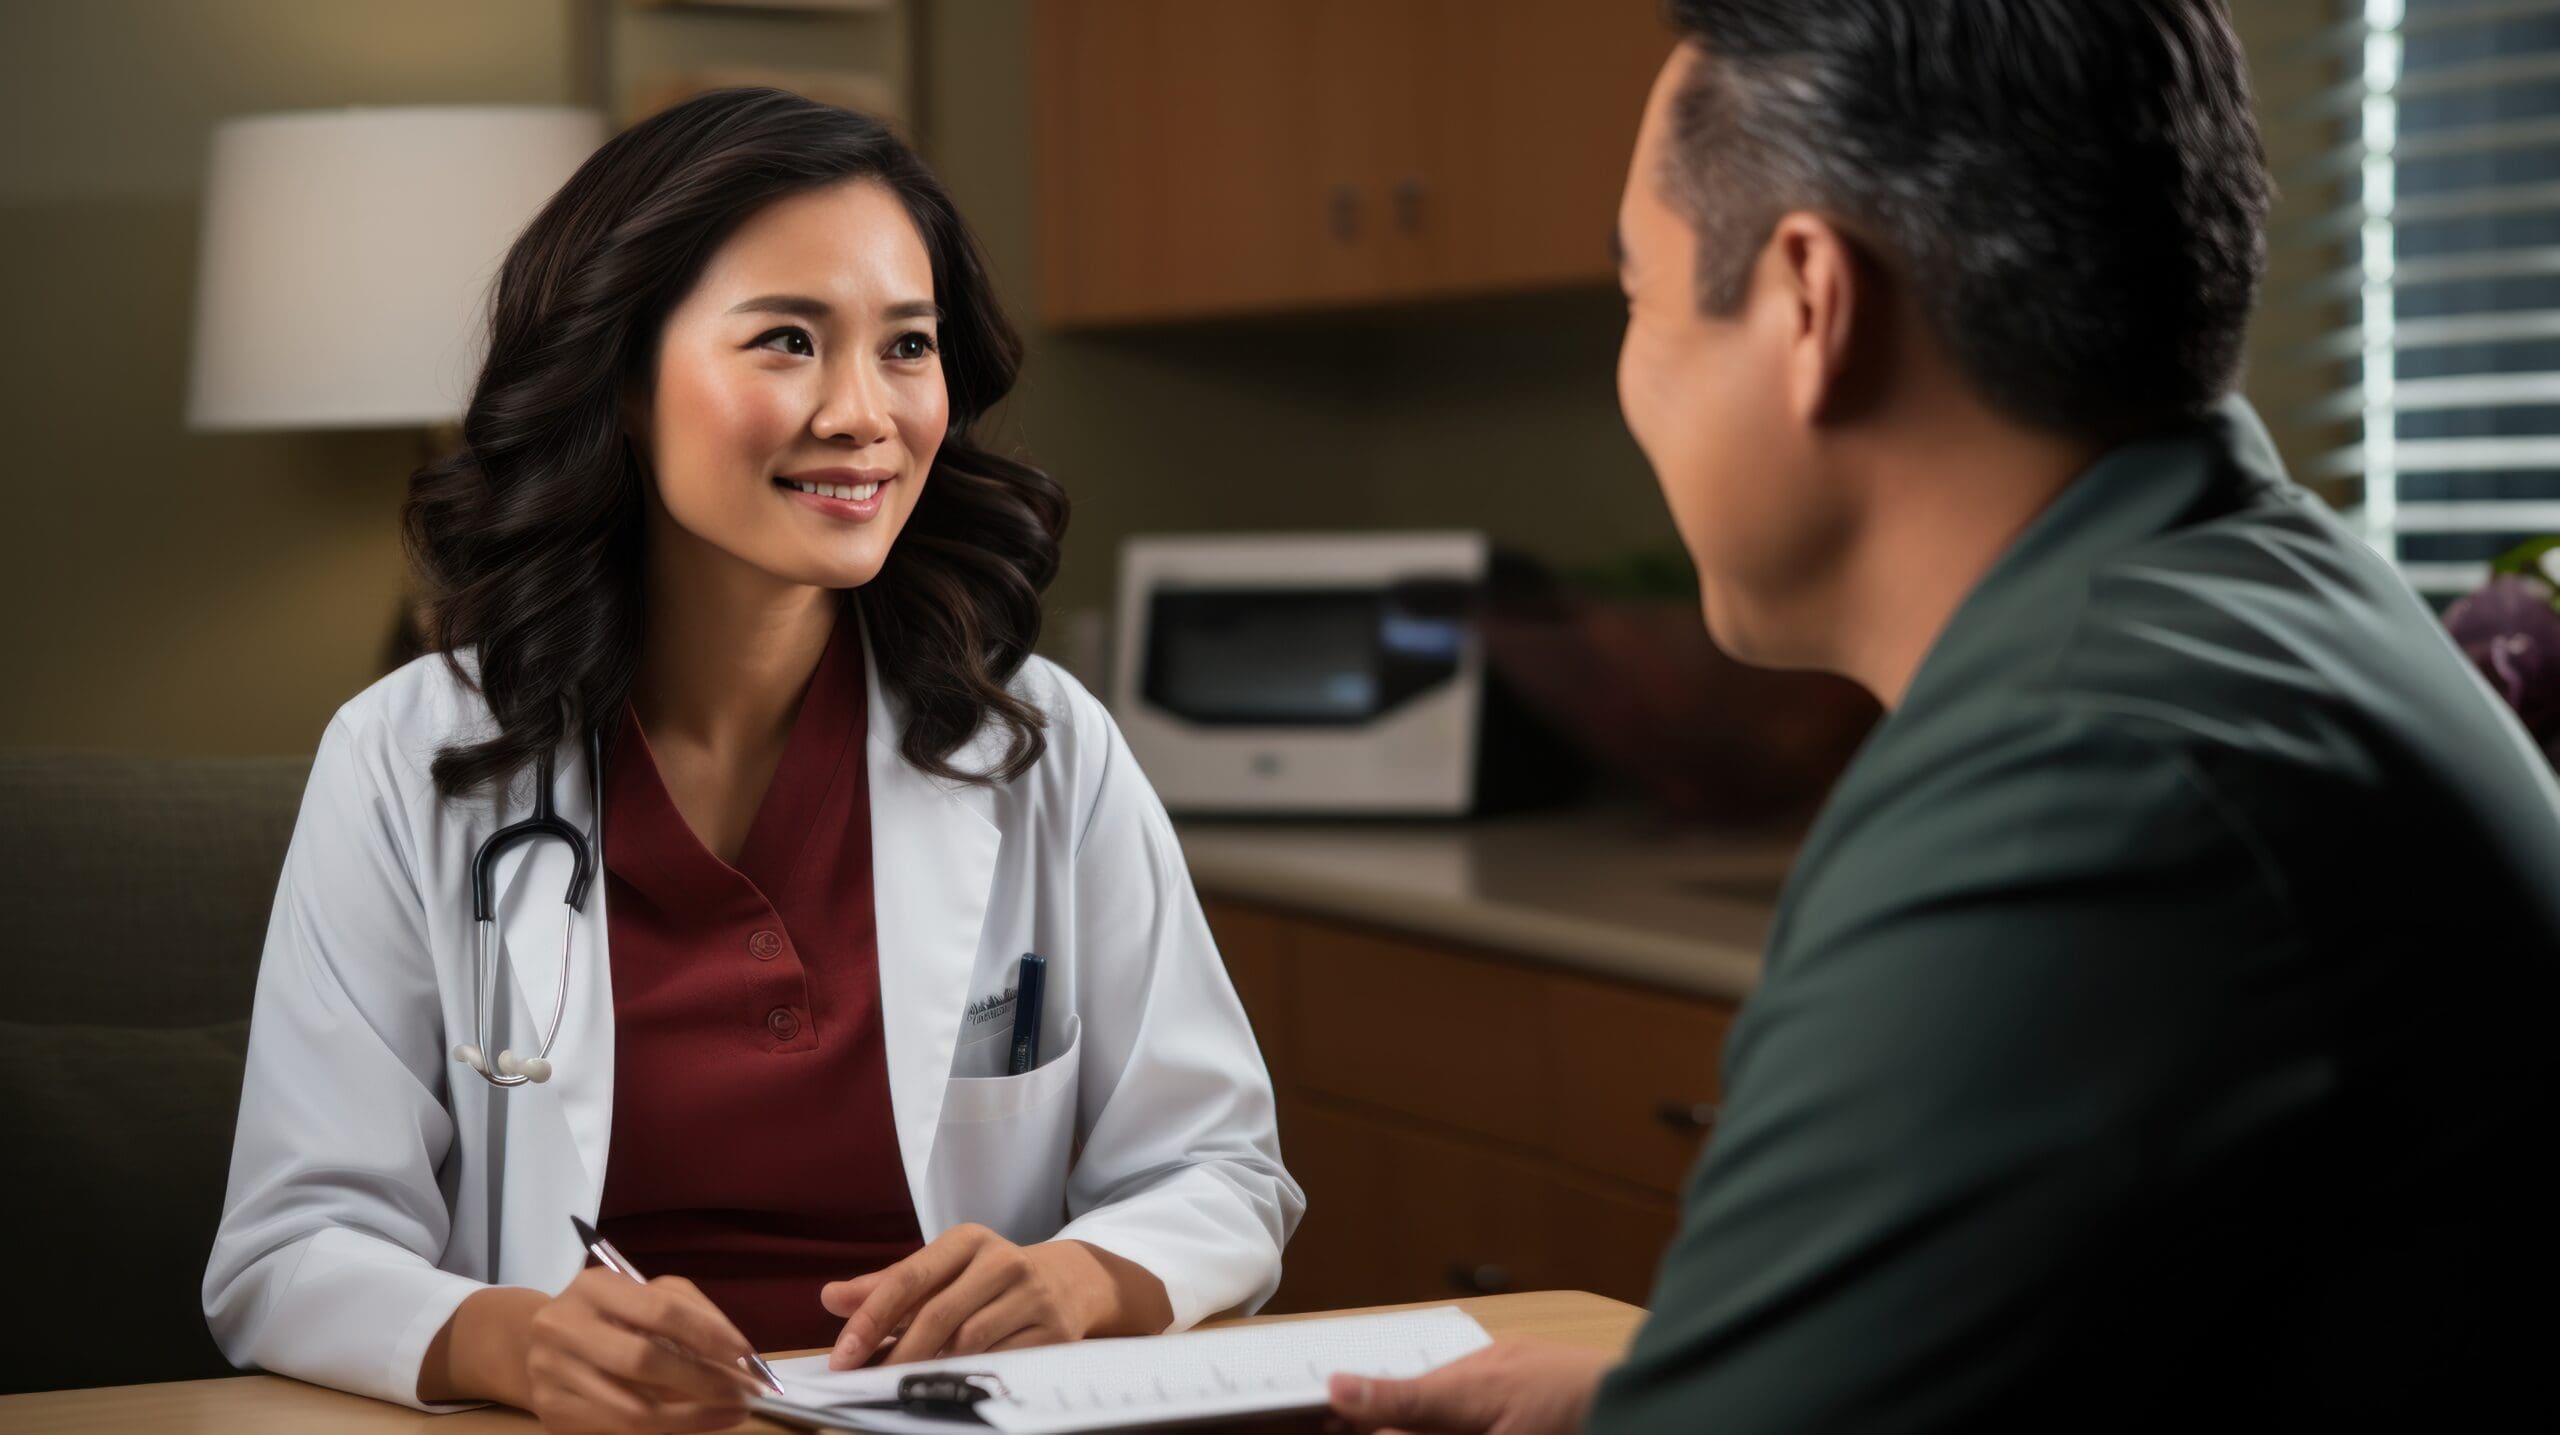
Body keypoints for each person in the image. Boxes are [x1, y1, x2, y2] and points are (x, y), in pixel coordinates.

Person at [1331, 2, 2560, 1430]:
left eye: (1637, 300)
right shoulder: (2280, 593)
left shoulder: (2073, 778)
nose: (1631, 378)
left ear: (1808, 302)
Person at [203, 88, 1301, 1433]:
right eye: (788, 339)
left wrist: (1081, 1281)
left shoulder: (1043, 747)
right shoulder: (409, 757)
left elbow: (1223, 1172)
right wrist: (519, 1345)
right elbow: (290, 1250)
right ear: (621, 379)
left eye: (908, 345)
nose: (863, 413)